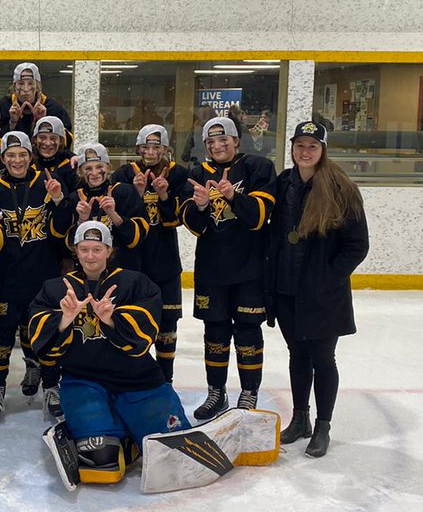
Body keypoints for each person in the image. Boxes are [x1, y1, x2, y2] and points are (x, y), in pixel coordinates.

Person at [28, 222, 189, 485]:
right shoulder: (56, 289)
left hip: (138, 381)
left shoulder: (136, 283)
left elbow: (143, 339)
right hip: (84, 382)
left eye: (97, 249)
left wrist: (111, 320)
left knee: (173, 456)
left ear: (109, 250)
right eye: (84, 249)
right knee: (101, 463)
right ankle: (125, 439)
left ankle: (129, 432)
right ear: (75, 251)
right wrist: (64, 319)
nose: (90, 256)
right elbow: (42, 347)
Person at [267, 121, 369, 458]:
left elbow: (357, 245)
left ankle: (323, 425)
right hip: (287, 290)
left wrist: (327, 279)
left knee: (323, 360)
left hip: (323, 294)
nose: (305, 151)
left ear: (323, 150)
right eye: (300, 145)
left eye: (312, 146)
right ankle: (300, 419)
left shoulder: (341, 189)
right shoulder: (284, 183)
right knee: (298, 356)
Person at [182, 116, 277, 420]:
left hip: (250, 269)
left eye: (224, 140)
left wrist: (233, 195)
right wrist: (198, 206)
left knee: (248, 330)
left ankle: (249, 392)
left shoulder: (258, 167)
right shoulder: (197, 173)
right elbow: (196, 228)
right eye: (211, 141)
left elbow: (260, 217)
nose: (218, 145)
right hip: (212, 270)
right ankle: (216, 392)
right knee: (215, 330)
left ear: (237, 141)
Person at [0, 130, 73, 420]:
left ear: (30, 156)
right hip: (5, 278)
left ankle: (51, 386)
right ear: (3, 158)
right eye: (11, 156)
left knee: (44, 334)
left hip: (41, 277)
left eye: (22, 155)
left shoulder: (45, 183)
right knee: (0, 337)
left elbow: (61, 232)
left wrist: (59, 200)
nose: (17, 160)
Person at [110, 124, 187, 382]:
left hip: (164, 261)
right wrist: (137, 194)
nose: (151, 151)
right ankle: (136, 378)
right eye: (146, 146)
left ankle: (166, 381)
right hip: (132, 262)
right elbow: (117, 219)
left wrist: (164, 194)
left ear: (165, 148)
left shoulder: (178, 175)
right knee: (132, 323)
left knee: (166, 327)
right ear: (138, 148)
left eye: (157, 146)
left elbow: (177, 221)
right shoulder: (122, 174)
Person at [69, 142, 147, 272]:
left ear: (109, 167)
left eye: (99, 166)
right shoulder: (75, 199)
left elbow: (136, 240)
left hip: (124, 272)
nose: (94, 173)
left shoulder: (125, 192)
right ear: (80, 172)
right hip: (87, 275)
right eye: (88, 168)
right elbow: (70, 247)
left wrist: (114, 215)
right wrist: (82, 220)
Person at [0, 62, 73, 148]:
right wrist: (12, 123)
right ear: (14, 86)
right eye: (21, 83)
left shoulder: (54, 109)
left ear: (38, 86)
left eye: (30, 83)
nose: (26, 89)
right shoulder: (3, 106)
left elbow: (67, 142)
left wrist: (43, 121)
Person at [30, 116, 75, 183]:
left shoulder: (70, 165)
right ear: (35, 139)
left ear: (61, 141)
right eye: (42, 138)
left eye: (53, 138)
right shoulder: (28, 164)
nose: (47, 143)